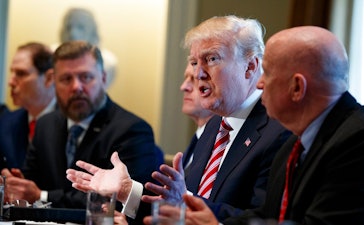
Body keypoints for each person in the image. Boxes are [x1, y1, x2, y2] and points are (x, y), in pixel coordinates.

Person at [157, 26, 364, 225]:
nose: (260, 84)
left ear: (297, 88)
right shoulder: (297, 142)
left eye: (269, 74)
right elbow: (269, 217)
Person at [67, 15, 291, 221]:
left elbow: (261, 218)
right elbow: (175, 206)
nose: (198, 74)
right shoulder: (215, 124)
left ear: (250, 66)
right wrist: (128, 191)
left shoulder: (280, 132)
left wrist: (183, 200)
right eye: (194, 62)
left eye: (212, 59)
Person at [1, 41, 163, 219]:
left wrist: (41, 196)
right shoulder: (46, 124)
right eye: (66, 79)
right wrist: (18, 185)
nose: (76, 87)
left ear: (103, 78)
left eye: (85, 77)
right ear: (54, 82)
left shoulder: (132, 130)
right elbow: (32, 181)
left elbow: (114, 202)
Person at [0, 42, 55, 169]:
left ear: (49, 78)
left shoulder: (72, 124)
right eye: (12, 73)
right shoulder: (5, 122)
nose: (10, 82)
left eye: (21, 73)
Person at [55, 7, 117, 88]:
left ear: (93, 31)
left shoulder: (108, 62)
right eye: (68, 27)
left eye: (80, 27)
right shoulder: (49, 56)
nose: (72, 33)